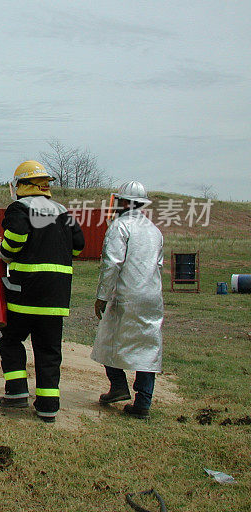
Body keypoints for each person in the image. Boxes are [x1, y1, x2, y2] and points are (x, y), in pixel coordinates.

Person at [0, 160, 85, 423]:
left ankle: (17, 393)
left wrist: (4, 254)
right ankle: (48, 407)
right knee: (48, 351)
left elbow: (16, 237)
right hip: (56, 298)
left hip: (25, 295)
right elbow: (78, 246)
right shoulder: (62, 212)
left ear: (21, 185)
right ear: (45, 186)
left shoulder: (20, 208)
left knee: (10, 340)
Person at [91, 180, 164, 419]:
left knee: (108, 339)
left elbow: (112, 264)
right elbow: (159, 265)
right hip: (152, 296)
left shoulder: (119, 227)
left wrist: (102, 296)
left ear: (123, 202)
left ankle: (118, 386)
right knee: (147, 348)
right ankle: (143, 403)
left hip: (125, 295)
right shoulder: (155, 230)